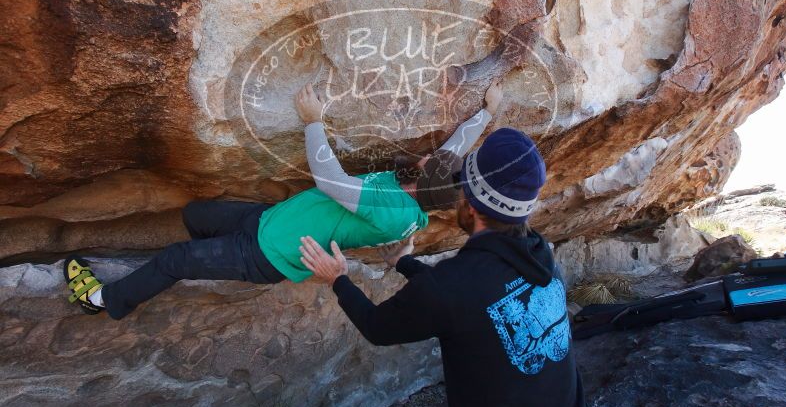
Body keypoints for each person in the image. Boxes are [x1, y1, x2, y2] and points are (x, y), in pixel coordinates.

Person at [64, 80, 504, 319]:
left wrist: (313, 121)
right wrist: (488, 111)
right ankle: (183, 260)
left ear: (421, 183)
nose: (426, 154)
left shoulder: (391, 207)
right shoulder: (420, 192)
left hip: (266, 254)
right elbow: (456, 147)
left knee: (177, 259)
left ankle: (104, 302)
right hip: (270, 220)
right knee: (196, 214)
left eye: (429, 161)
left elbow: (331, 180)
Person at [299, 128, 601, 407]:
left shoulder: (453, 286)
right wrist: (403, 263)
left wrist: (337, 278)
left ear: (469, 206)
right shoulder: (538, 252)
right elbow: (464, 296)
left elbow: (376, 326)